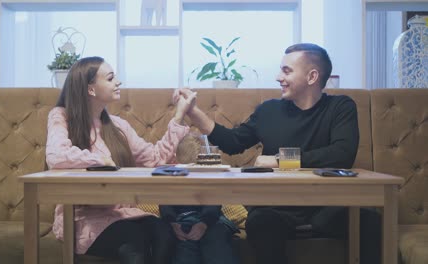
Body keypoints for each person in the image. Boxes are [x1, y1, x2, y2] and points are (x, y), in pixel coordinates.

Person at [177, 43, 381, 264]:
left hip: (327, 206)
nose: (278, 77)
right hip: (276, 207)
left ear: (312, 76)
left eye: (287, 71)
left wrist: (279, 160)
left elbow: (342, 154)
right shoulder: (269, 110)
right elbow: (233, 142)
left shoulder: (341, 107)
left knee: (371, 223)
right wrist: (193, 112)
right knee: (260, 224)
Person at [45, 56, 196, 264]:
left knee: (164, 234)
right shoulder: (61, 116)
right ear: (90, 89)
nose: (118, 82)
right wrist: (102, 160)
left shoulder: (118, 126)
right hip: (81, 219)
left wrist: (179, 115)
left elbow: (155, 159)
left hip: (123, 214)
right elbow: (56, 155)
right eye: (110, 78)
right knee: (133, 242)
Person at [159, 134, 240, 264]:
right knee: (185, 247)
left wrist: (204, 223)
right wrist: (172, 223)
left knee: (216, 241)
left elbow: (214, 202)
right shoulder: (169, 176)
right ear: (176, 161)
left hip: (212, 219)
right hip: (181, 222)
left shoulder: (211, 173)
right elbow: (164, 203)